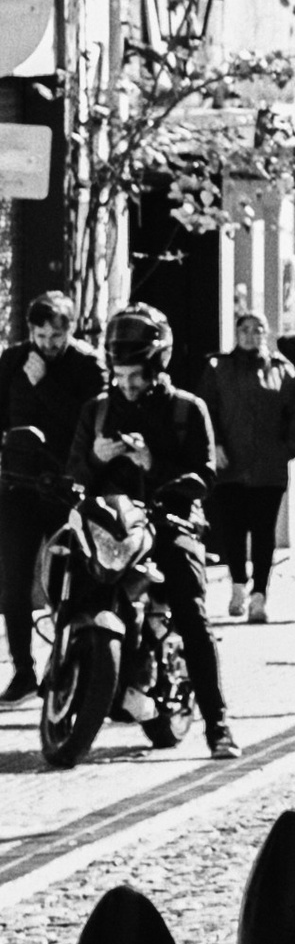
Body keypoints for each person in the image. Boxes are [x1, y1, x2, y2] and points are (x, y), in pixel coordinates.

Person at [69, 306, 236, 755]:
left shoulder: (188, 409)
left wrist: (152, 465)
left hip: (169, 523)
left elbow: (205, 475)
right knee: (70, 573)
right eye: (119, 375)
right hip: (110, 526)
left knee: (192, 612)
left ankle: (218, 724)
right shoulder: (96, 411)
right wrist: (97, 459)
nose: (126, 384)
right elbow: (74, 471)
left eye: (136, 377)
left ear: (157, 366)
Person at [0, 290, 105, 702]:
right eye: (41, 336)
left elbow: (86, 423)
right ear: (30, 331)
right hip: (18, 484)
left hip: (65, 487)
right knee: (13, 582)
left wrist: (43, 383)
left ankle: (61, 666)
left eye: (56, 337)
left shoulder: (87, 365)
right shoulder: (13, 361)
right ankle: (22, 670)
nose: (48, 344)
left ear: (70, 329)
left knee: (66, 582)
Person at [208, 304, 295, 620]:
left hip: (268, 469)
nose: (250, 336)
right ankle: (237, 585)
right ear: (236, 334)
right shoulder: (218, 368)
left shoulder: (282, 371)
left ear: (266, 334)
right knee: (233, 530)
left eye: (257, 330)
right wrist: (215, 444)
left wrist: (288, 449)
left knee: (263, 533)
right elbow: (206, 409)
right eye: (245, 330)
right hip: (230, 466)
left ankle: (259, 595)